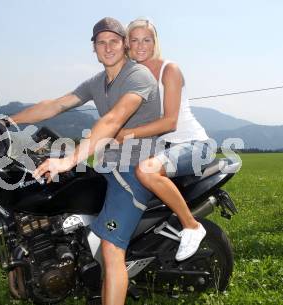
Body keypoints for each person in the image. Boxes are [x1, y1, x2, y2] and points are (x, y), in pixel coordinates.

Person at [11, 17, 160, 305]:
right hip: (107, 167)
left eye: (114, 41)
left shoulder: (138, 76)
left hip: (134, 170)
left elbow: (113, 120)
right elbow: (57, 104)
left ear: (125, 44)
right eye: (101, 42)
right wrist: (8, 120)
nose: (108, 47)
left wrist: (71, 159)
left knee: (111, 249)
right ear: (94, 48)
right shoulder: (98, 82)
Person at [114, 17, 210, 261]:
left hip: (194, 145)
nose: (141, 45)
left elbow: (170, 122)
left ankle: (192, 226)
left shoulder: (170, 70)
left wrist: (127, 134)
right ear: (127, 45)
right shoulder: (133, 76)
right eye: (134, 40)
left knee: (146, 172)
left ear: (155, 42)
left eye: (146, 39)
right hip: (163, 146)